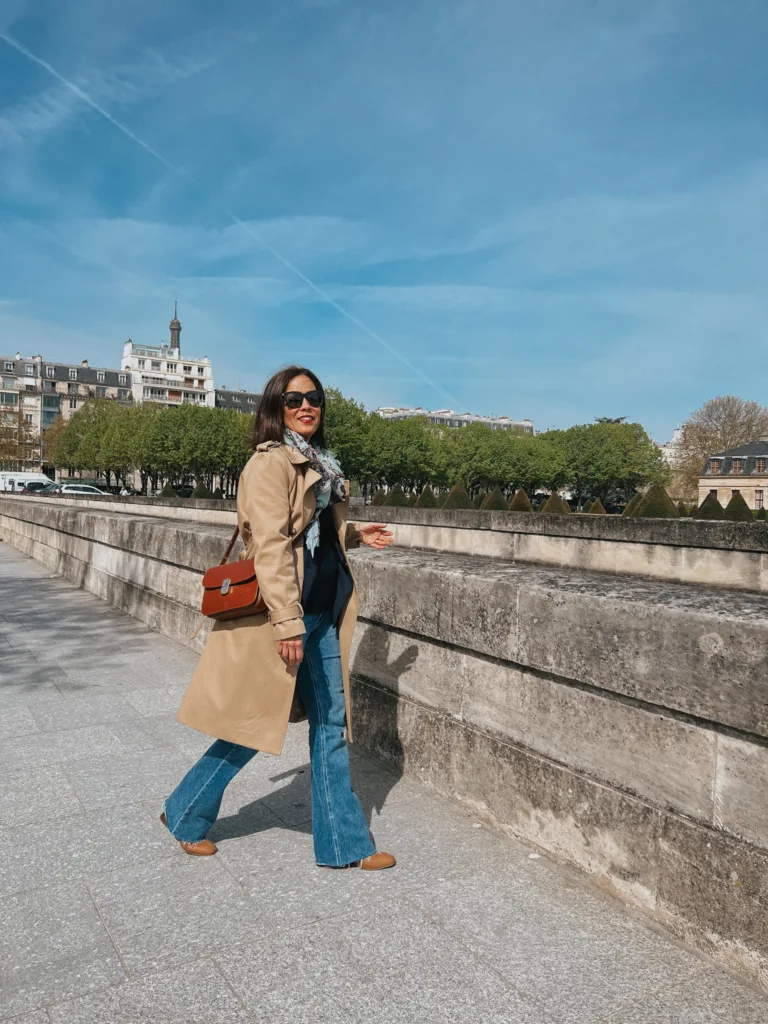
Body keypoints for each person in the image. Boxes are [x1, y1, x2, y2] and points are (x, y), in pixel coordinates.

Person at [164, 366, 396, 870]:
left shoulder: (320, 464)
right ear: (276, 408)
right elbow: (270, 545)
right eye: (294, 399)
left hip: (323, 614)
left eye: (314, 398)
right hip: (288, 616)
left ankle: (344, 845)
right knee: (253, 725)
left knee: (330, 728)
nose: (306, 405)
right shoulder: (269, 465)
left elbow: (311, 534)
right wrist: (287, 622)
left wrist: (355, 535)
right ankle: (184, 811)